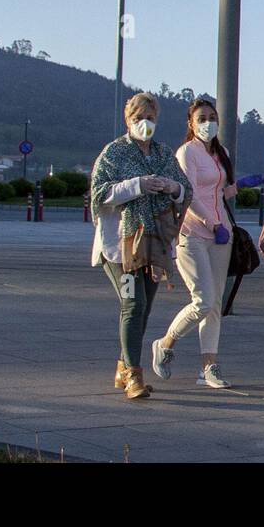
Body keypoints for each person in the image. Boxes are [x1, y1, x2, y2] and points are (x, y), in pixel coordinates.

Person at [151, 96, 264, 390]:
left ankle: (209, 367)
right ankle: (165, 343)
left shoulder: (220, 153)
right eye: (201, 118)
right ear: (191, 123)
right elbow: (186, 195)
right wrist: (210, 223)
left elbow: (218, 194)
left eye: (211, 117)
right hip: (192, 234)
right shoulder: (186, 153)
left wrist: (239, 186)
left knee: (214, 304)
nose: (207, 123)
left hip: (221, 235)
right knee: (201, 300)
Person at [90, 91, 190, 400]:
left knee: (143, 307)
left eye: (149, 118)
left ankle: (123, 366)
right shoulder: (113, 153)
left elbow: (184, 189)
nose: (144, 124)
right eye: (138, 119)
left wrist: (173, 188)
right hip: (121, 246)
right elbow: (99, 193)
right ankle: (134, 375)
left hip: (154, 243)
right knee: (132, 304)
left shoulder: (162, 153)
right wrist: (138, 186)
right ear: (127, 120)